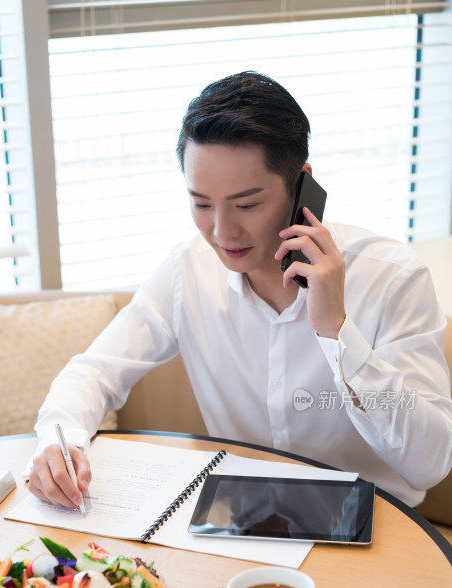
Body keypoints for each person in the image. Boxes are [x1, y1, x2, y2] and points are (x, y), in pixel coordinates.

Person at [29, 71, 452, 509]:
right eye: (201, 204)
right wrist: (58, 442)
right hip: (243, 525)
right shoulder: (186, 272)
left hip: (377, 524)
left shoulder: (394, 279)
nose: (222, 231)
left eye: (247, 204)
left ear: (300, 183)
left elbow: (429, 464)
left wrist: (337, 331)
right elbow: (95, 372)